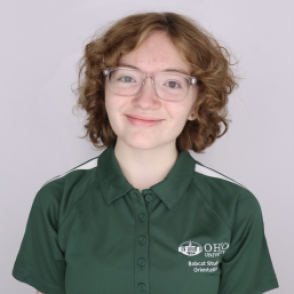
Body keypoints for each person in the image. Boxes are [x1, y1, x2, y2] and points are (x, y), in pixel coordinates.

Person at [12, 12, 279, 294]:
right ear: (104, 90)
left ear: (197, 103)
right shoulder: (56, 201)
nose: (145, 100)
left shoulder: (236, 207)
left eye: (172, 83)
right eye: (127, 78)